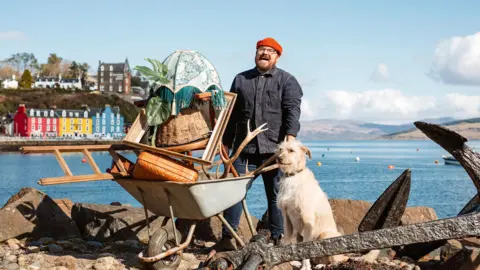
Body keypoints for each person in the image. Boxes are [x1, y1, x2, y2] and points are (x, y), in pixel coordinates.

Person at [215, 37, 303, 251]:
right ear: (255, 54)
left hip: (275, 152)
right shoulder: (240, 79)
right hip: (243, 151)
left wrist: (290, 138)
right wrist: (225, 143)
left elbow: (293, 111)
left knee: (277, 197)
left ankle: (278, 238)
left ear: (277, 57)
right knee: (234, 193)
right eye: (261, 50)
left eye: (270, 51)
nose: (264, 53)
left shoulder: (287, 81)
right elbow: (232, 115)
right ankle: (229, 238)